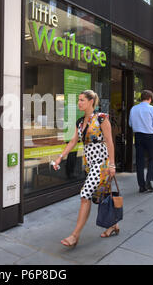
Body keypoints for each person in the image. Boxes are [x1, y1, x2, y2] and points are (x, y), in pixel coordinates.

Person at [53, 90, 119, 247]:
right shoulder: (80, 122)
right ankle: (113, 225)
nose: (79, 103)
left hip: (102, 163)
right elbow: (73, 141)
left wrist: (112, 164)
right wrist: (60, 157)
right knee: (102, 194)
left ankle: (75, 236)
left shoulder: (102, 119)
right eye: (78, 100)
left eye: (82, 100)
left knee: (85, 195)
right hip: (90, 164)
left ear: (91, 101)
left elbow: (110, 142)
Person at [129, 90, 153, 193]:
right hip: (150, 136)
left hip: (138, 136)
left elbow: (130, 124)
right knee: (152, 159)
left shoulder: (134, 109)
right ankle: (148, 180)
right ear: (150, 98)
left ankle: (141, 185)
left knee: (139, 161)